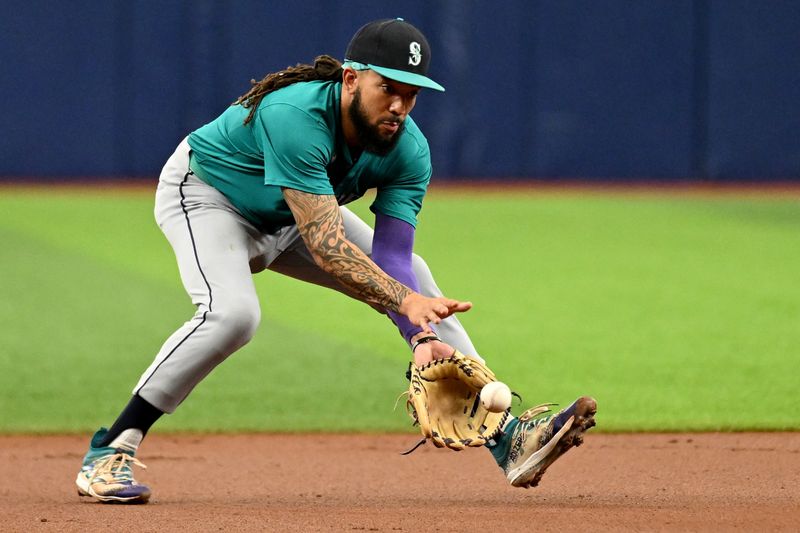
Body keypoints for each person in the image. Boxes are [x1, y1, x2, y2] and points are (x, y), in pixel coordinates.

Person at [75, 18, 596, 504]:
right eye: (386, 87)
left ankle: (508, 439)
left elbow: (393, 256)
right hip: (211, 197)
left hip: (293, 216)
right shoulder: (296, 115)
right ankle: (111, 448)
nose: (398, 105)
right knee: (232, 315)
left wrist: (421, 336)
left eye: (410, 93)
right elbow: (326, 247)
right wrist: (406, 305)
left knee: (419, 279)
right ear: (351, 80)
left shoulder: (408, 150)